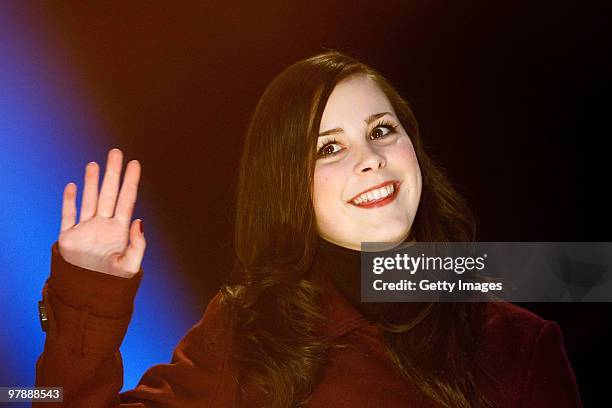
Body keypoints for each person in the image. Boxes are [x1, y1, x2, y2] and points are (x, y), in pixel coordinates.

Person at [35, 51, 582, 407]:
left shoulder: (519, 345)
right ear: (289, 188)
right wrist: (86, 295)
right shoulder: (247, 334)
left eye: (382, 130)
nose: (370, 159)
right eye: (329, 148)